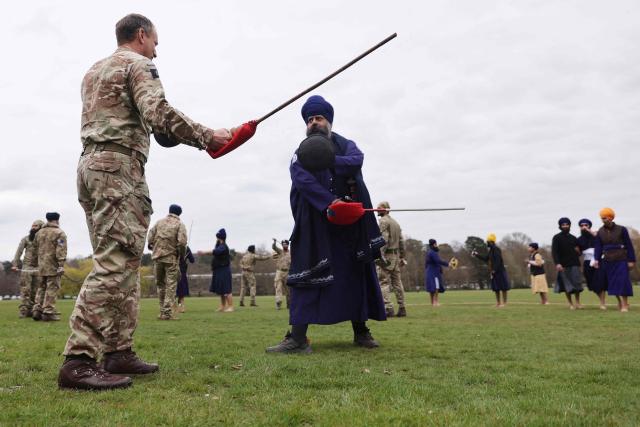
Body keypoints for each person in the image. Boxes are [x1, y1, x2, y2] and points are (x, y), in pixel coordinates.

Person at [59, 13, 236, 391]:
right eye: (155, 41)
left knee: (121, 263)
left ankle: (119, 350)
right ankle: (79, 360)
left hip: (90, 166)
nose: (157, 49)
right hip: (119, 167)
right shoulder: (140, 65)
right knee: (116, 262)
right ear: (141, 35)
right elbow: (157, 114)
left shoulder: (93, 71)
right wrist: (209, 137)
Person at [266, 95, 386, 354]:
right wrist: (330, 203)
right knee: (306, 275)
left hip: (350, 227)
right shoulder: (302, 152)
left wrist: (326, 160)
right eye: (310, 119)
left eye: (318, 118)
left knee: (356, 274)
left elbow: (356, 161)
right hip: (316, 225)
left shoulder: (346, 145)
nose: (313, 123)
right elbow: (301, 179)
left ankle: (361, 331)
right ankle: (297, 339)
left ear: (328, 121)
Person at [147, 204, 187, 320]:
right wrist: (181, 255)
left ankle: (162, 311)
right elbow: (182, 243)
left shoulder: (159, 222)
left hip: (157, 258)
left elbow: (150, 235)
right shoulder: (180, 225)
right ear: (179, 214)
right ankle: (167, 313)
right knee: (171, 286)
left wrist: (152, 247)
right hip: (171, 258)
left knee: (160, 284)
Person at [594, 208, 636, 312]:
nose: (604, 219)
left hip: (621, 258)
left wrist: (631, 260)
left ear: (611, 217)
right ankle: (620, 302)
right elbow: (598, 247)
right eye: (602, 218)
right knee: (613, 283)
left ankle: (625, 305)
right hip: (607, 260)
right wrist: (596, 259)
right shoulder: (600, 231)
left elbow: (629, 245)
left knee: (623, 282)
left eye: (606, 217)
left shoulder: (622, 229)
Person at [32, 213, 67, 321]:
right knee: (52, 288)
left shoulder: (39, 233)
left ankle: (37, 310)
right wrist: (61, 265)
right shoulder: (59, 233)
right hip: (53, 266)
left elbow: (34, 248)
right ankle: (48, 312)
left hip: (41, 265)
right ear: (57, 220)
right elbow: (60, 249)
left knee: (41, 287)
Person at [375, 201, 407, 317]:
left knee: (383, 282)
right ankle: (402, 307)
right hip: (396, 256)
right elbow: (401, 241)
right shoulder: (396, 223)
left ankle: (388, 308)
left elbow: (384, 239)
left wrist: (380, 255)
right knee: (397, 283)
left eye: (379, 208)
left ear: (385, 209)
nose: (377, 209)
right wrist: (402, 256)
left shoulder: (383, 221)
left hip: (387, 256)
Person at [11, 220, 45, 318]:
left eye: (36, 226)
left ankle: (34, 310)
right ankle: (24, 311)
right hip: (26, 268)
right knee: (25, 290)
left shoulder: (44, 240)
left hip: (39, 268)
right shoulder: (26, 239)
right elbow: (19, 252)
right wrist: (15, 264)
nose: (33, 227)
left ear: (41, 228)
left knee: (36, 291)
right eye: (32, 226)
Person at [552, 217, 584, 310]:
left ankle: (578, 303)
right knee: (567, 285)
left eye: (567, 224)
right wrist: (557, 263)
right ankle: (570, 304)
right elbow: (555, 252)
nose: (565, 226)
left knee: (577, 284)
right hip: (563, 265)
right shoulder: (557, 238)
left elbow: (579, 252)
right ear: (560, 226)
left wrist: (578, 251)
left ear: (570, 225)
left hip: (575, 264)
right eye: (563, 225)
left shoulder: (574, 238)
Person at [472, 234, 510, 307]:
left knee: (503, 287)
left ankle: (504, 303)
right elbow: (486, 259)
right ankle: (498, 303)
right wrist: (476, 255)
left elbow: (498, 261)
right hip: (494, 271)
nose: (487, 243)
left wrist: (494, 270)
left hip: (500, 271)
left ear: (492, 242)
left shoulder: (496, 249)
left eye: (488, 242)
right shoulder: (491, 251)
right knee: (496, 288)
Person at [577, 218, 606, 309]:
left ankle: (602, 303)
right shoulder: (579, 239)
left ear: (589, 226)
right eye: (581, 226)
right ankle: (601, 300)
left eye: (586, 225)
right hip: (587, 262)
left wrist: (590, 232)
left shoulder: (596, 235)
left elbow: (602, 241)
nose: (584, 227)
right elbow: (579, 252)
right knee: (591, 284)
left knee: (600, 282)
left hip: (598, 261)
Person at [210, 229, 233, 312]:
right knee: (221, 289)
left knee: (227, 289)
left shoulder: (223, 246)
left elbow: (216, 251)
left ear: (220, 237)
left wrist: (206, 252)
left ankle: (230, 307)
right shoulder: (219, 245)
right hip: (218, 270)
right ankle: (223, 306)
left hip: (224, 270)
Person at [424, 239, 450, 307]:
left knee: (431, 288)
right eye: (436, 244)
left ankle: (432, 303)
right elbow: (438, 261)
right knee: (436, 287)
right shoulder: (433, 252)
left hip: (429, 271)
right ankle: (436, 302)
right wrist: (447, 264)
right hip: (434, 272)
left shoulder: (429, 252)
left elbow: (426, 264)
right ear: (434, 244)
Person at [272, 238, 291, 310]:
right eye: (283, 244)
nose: (284, 245)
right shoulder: (280, 251)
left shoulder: (291, 253)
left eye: (285, 244)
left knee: (288, 290)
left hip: (287, 272)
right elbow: (274, 247)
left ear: (288, 245)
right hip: (279, 272)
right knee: (278, 288)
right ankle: (278, 304)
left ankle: (289, 304)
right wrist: (274, 242)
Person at [176, 246, 195, 313]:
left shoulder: (173, 246)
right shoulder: (186, 248)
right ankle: (181, 306)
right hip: (182, 271)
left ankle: (178, 307)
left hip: (173, 270)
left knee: (175, 290)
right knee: (181, 291)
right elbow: (192, 260)